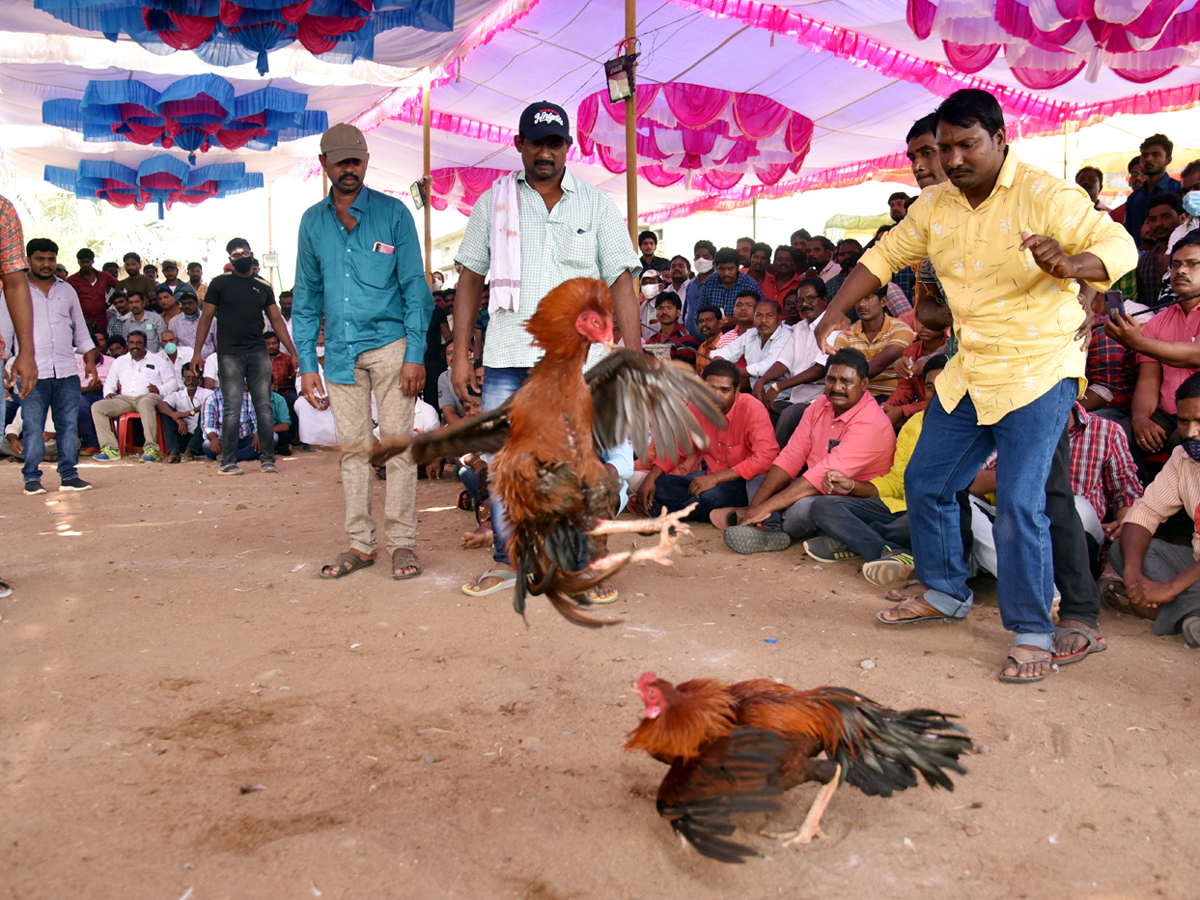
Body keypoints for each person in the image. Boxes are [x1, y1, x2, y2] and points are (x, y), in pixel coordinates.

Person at [816, 88, 1138, 684]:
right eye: (946, 148)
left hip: (1040, 368)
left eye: (968, 145)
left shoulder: (1045, 194)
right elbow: (883, 258)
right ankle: (944, 591)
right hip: (971, 368)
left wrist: (1073, 265)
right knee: (928, 480)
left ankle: (1033, 630)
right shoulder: (934, 206)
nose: (955, 158)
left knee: (1022, 502)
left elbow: (1119, 244)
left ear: (1000, 140)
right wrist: (834, 312)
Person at [451, 100, 640, 597]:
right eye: (536, 142)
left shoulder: (597, 205)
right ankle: (510, 560)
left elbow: (622, 277)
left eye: (554, 143)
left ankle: (580, 560)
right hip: (508, 355)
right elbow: (470, 275)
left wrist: (633, 355)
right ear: (519, 144)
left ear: (567, 149)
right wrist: (459, 353)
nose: (544, 152)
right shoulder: (493, 202)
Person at [293, 122, 434, 579]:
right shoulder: (313, 222)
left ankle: (402, 544)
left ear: (367, 161)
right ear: (325, 165)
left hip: (393, 348)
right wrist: (306, 363)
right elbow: (308, 295)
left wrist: (416, 353)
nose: (349, 169)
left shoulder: (394, 214)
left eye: (356, 160)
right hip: (338, 352)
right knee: (354, 451)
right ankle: (360, 544)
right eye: (340, 162)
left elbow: (417, 288)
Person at [717, 348, 896, 554]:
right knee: (759, 478)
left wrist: (765, 507)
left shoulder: (870, 423)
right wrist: (755, 508)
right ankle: (771, 529)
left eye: (846, 381)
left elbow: (819, 477)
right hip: (813, 487)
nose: (837, 387)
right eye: (831, 380)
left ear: (864, 384)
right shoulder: (822, 404)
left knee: (802, 510)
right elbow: (792, 456)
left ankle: (773, 523)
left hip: (849, 501)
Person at [802, 355, 949, 579]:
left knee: (919, 523)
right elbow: (896, 482)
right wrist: (852, 486)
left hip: (940, 511)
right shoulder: (913, 426)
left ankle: (852, 540)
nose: (937, 396)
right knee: (823, 505)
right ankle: (886, 551)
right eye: (930, 387)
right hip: (899, 505)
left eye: (946, 387)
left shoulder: (978, 426)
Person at [1106, 372, 1200, 648]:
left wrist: (1169, 588)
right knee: (1124, 548)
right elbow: (1145, 512)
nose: (1192, 431)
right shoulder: (1183, 458)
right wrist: (1134, 575)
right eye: (1184, 421)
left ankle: (1163, 611)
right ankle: (1188, 614)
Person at [189, 237, 296, 476]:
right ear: (230, 260)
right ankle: (227, 462)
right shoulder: (219, 284)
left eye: (244, 253)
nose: (241, 257)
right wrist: (197, 353)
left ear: (251, 253)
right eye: (236, 255)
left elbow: (276, 319)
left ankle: (268, 459)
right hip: (229, 353)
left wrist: (292, 351)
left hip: (258, 351)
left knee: (264, 407)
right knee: (232, 407)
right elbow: (205, 318)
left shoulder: (263, 285)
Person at [0, 238, 96, 493]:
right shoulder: (14, 291)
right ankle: (31, 478)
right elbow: (5, 332)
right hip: (32, 372)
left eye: (51, 259)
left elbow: (81, 328)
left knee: (68, 425)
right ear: (28, 260)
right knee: (33, 426)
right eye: (40, 259)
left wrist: (89, 360)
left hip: (66, 369)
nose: (46, 264)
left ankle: (68, 476)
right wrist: (5, 366)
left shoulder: (67, 290)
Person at [634, 359, 776, 522]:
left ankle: (664, 511)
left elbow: (766, 458)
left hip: (744, 483)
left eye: (724, 390)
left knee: (709, 496)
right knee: (661, 484)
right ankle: (695, 510)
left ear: (736, 391)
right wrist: (651, 478)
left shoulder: (753, 409)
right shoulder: (696, 408)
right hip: (709, 476)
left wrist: (715, 479)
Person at [1107, 234, 1200, 462]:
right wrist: (1140, 419)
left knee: (1187, 441)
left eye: (1192, 264)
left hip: (1196, 415)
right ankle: (1131, 497)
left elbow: (1195, 356)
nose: (1181, 271)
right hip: (1166, 415)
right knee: (1112, 436)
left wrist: (1138, 342)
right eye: (1176, 264)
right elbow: (1148, 381)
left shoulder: (1149, 331)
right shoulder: (1160, 320)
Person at [761, 276, 831, 444]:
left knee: (789, 415)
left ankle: (776, 464)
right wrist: (763, 381)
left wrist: (778, 386)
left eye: (810, 299)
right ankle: (759, 458)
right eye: (800, 301)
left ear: (824, 300)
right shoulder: (799, 328)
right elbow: (783, 362)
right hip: (795, 398)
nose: (805, 304)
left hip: (820, 399)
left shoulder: (833, 325)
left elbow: (819, 370)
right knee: (760, 410)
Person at [91, 330, 176, 461]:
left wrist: (159, 389)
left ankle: (151, 449)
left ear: (145, 344)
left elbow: (172, 383)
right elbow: (109, 383)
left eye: (138, 343)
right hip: (125, 399)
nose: (135, 346)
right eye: (131, 343)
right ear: (128, 344)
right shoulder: (120, 361)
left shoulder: (158, 361)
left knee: (145, 403)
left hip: (149, 397)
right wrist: (108, 393)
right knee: (97, 407)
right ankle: (111, 449)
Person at [833, 288, 914, 398]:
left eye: (868, 298)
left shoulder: (901, 329)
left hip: (891, 400)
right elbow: (839, 369)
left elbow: (878, 364)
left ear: (883, 301)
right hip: (855, 397)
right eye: (858, 299)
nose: (861, 304)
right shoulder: (846, 335)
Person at [715, 298, 792, 394]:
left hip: (783, 397)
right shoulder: (751, 333)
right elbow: (728, 350)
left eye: (769, 316)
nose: (764, 320)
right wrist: (719, 359)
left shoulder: (786, 334)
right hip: (757, 395)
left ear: (780, 318)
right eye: (759, 315)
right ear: (754, 318)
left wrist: (732, 371)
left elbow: (767, 366)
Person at [1124, 133, 1181, 244]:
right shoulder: (1134, 197)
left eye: (1155, 155)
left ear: (1168, 160)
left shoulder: (1179, 190)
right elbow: (1128, 233)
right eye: (1145, 155)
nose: (1148, 159)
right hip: (1138, 258)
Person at [156, 365, 212, 462]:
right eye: (188, 378)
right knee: (166, 413)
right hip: (184, 438)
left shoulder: (207, 393)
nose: (191, 381)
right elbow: (161, 405)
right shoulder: (177, 395)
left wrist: (187, 413)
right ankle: (174, 452)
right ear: (182, 379)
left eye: (194, 378)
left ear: (199, 379)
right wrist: (176, 418)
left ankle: (190, 451)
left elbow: (211, 405)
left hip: (201, 440)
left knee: (206, 411)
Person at [77, 329, 113, 455]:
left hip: (103, 395)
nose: (90, 354)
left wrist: (102, 388)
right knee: (80, 403)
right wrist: (89, 389)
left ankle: (112, 443)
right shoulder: (75, 362)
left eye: (93, 350)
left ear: (99, 348)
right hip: (82, 395)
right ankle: (92, 444)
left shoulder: (112, 362)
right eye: (87, 352)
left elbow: (116, 385)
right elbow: (70, 388)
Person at [699, 248, 762, 318]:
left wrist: (735, 322)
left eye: (730, 269)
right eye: (722, 269)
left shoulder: (750, 285)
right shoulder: (710, 282)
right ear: (715, 266)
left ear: (738, 266)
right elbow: (701, 312)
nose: (726, 273)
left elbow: (760, 314)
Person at [67, 248, 117, 333]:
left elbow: (120, 285)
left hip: (102, 321)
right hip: (82, 322)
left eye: (87, 262)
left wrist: (113, 299)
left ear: (93, 261)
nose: (85, 265)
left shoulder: (104, 276)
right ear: (78, 262)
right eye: (82, 262)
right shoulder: (72, 280)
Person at [644, 291, 698, 366]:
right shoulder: (652, 340)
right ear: (656, 313)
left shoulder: (686, 339)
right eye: (660, 308)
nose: (664, 312)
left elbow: (682, 372)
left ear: (678, 312)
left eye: (669, 308)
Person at [265, 330, 298, 454]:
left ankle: (293, 437)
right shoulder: (260, 360)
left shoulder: (288, 359)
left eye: (274, 343)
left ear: (279, 343)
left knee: (294, 401)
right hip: (266, 392)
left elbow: (294, 376)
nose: (271, 346)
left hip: (285, 391)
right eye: (267, 344)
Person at [683, 240, 716, 339]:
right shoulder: (691, 283)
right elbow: (686, 309)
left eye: (705, 257)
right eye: (697, 257)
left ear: (713, 260)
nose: (701, 260)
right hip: (692, 338)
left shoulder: (717, 282)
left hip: (710, 338)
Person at [171, 289, 215, 357]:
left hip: (208, 360)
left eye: (190, 303)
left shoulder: (211, 319)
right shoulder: (174, 322)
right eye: (184, 304)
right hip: (184, 362)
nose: (187, 306)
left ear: (197, 303)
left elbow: (217, 343)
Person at [692, 304, 724, 375]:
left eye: (709, 320)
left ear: (720, 323)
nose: (704, 324)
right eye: (701, 321)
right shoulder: (702, 347)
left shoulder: (725, 345)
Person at [638, 269, 664, 340]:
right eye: (645, 283)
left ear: (661, 287)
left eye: (652, 282)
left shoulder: (665, 305)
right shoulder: (642, 307)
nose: (648, 285)